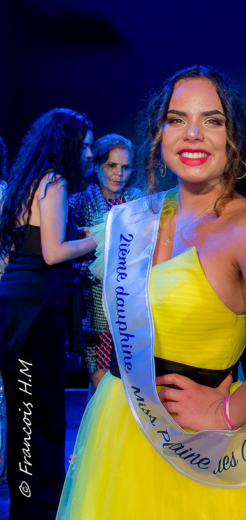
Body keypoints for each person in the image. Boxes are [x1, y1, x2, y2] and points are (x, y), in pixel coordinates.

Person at [58, 65, 246, 518]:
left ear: (233, 137)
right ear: (159, 133)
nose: (193, 134)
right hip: (119, 423)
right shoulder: (135, 217)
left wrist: (226, 412)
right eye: (176, 118)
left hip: (200, 446)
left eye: (212, 120)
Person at [0, 108, 96, 519]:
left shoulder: (25, 183)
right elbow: (54, 252)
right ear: (67, 145)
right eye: (86, 146)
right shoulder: (53, 182)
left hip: (16, 310)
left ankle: (28, 506)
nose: (89, 154)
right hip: (37, 314)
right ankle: (40, 509)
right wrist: (100, 241)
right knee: (43, 416)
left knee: (25, 412)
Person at [69, 134, 144, 391]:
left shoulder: (139, 201)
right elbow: (65, 256)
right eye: (111, 165)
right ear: (98, 165)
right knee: (101, 382)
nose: (119, 173)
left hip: (132, 307)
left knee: (132, 382)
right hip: (94, 308)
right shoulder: (78, 203)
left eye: (125, 167)